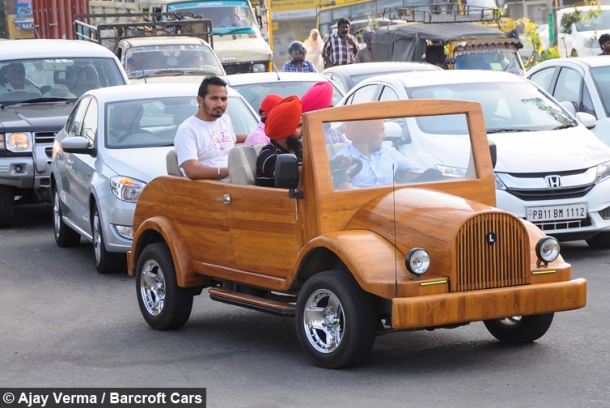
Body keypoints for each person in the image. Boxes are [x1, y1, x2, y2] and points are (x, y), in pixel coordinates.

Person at [174, 76, 246, 180]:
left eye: (224, 99)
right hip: (211, 187)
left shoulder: (225, 120)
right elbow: (192, 171)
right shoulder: (187, 130)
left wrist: (266, 136)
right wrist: (231, 170)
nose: (220, 104)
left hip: (236, 178)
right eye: (214, 98)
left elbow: (232, 139)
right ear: (200, 100)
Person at [332, 119, 423, 189]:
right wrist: (386, 188)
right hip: (366, 207)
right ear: (368, 135)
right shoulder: (343, 160)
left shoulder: (389, 152)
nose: (385, 136)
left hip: (397, 202)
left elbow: (419, 171)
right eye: (381, 131)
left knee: (432, 174)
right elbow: (348, 194)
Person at [255, 96, 303, 187]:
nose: (302, 131)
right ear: (285, 129)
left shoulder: (298, 151)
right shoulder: (267, 155)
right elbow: (299, 173)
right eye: (298, 126)